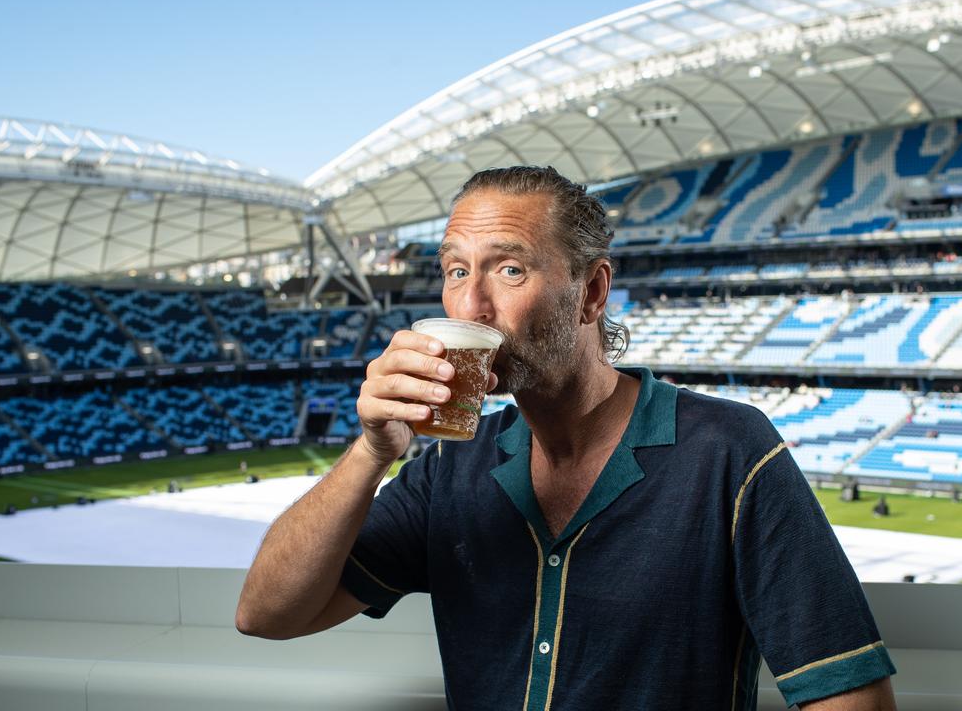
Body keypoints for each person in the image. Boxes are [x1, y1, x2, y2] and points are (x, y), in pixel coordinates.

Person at [236, 166, 897, 710]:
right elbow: (266, 614)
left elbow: (851, 698)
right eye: (457, 271)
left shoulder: (728, 451)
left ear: (592, 292)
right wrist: (372, 451)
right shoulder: (448, 472)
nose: (470, 308)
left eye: (510, 270)